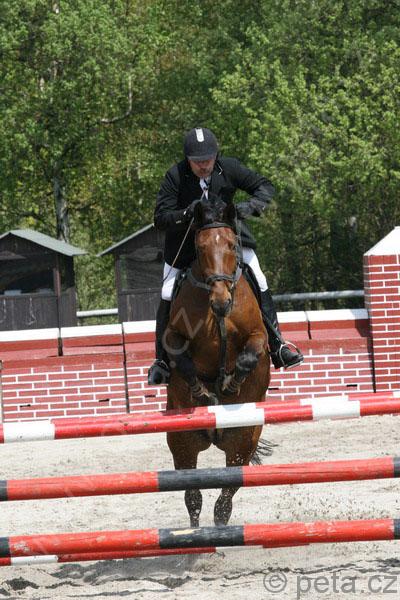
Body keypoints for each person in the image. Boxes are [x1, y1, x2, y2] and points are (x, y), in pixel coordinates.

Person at [148, 127, 303, 385]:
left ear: (216, 155)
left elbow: (265, 186)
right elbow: (160, 218)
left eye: (207, 160)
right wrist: (186, 213)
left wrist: (249, 207)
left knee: (259, 278)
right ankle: (162, 360)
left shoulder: (229, 167)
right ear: (188, 160)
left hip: (227, 244)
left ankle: (278, 345)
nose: (203, 165)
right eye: (197, 162)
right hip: (187, 247)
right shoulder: (175, 176)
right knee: (166, 291)